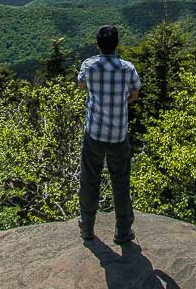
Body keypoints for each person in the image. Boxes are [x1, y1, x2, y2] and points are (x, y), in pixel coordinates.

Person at [76, 24, 141, 243]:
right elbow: (134, 93)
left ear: (97, 44)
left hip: (94, 132)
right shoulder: (127, 68)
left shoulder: (89, 66)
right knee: (121, 182)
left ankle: (87, 228)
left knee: (89, 179)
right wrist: (122, 100)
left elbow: (81, 86)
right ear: (117, 44)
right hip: (118, 135)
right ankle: (123, 232)